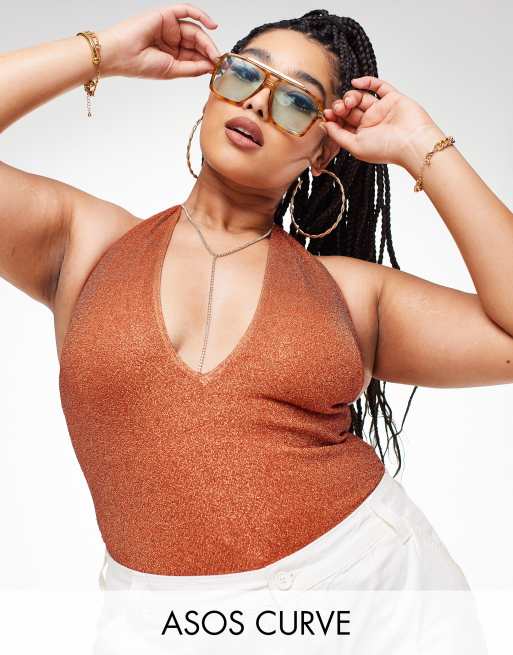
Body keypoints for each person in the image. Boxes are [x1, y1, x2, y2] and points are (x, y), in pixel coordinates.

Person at [2, 3, 510, 653]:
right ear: (212, 87)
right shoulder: (85, 245)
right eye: (244, 74)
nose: (259, 104)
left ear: (324, 150)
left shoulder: (348, 295)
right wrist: (103, 51)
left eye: (297, 101)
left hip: (370, 597)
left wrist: (421, 147)